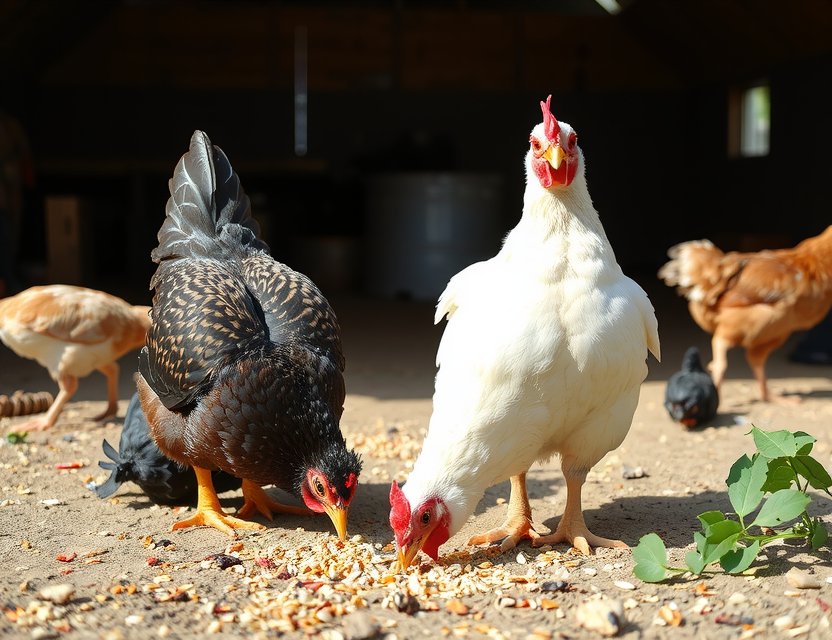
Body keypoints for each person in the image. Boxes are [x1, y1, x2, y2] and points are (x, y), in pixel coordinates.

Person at [0, 109, 35, 296]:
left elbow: (24, 157)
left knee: (7, 238)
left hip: (7, 194)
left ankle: (8, 281)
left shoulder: (8, 125)